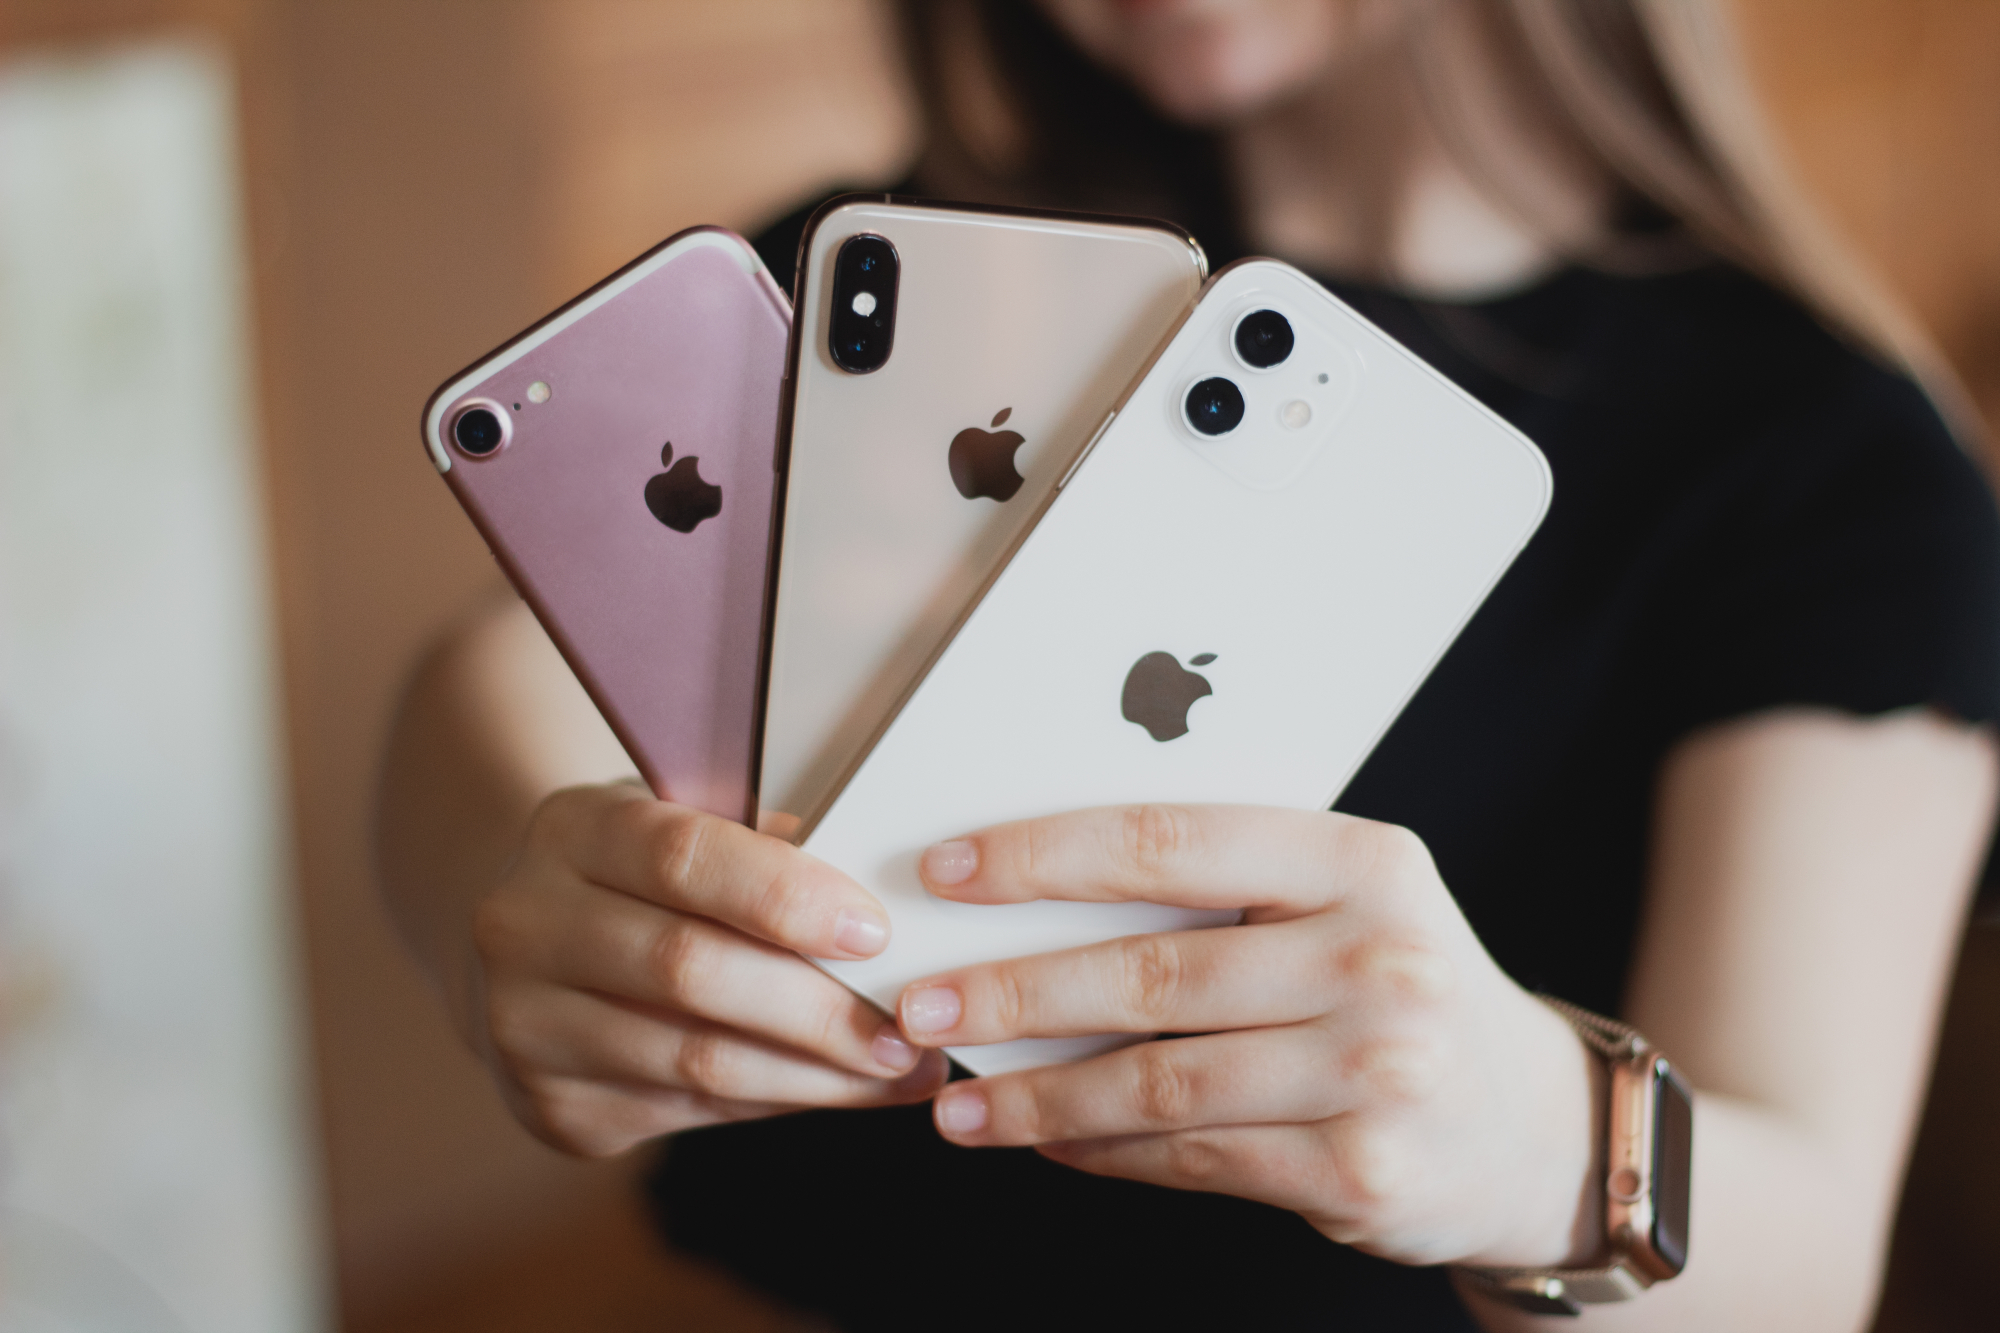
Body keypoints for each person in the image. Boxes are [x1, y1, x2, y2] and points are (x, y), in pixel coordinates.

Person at [376, 2, 2000, 1328]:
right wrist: (503, 903)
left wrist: (1531, 1138)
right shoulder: (914, 271)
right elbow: (481, 684)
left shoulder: (1832, 465)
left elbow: (1807, 1261)